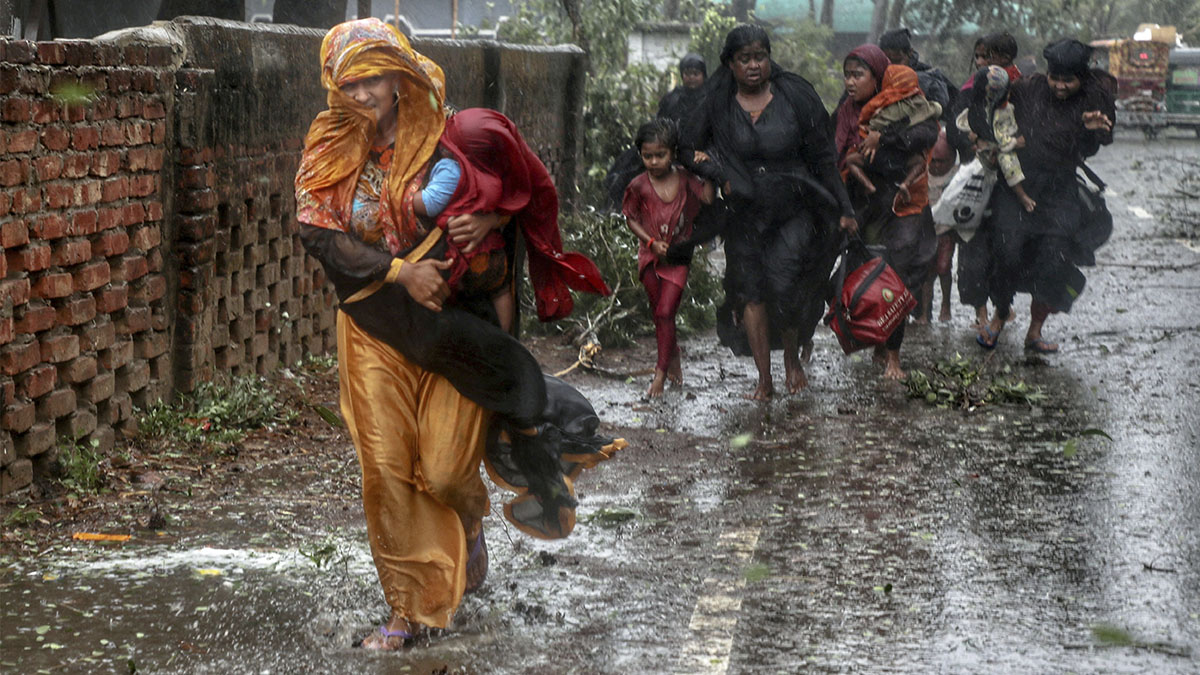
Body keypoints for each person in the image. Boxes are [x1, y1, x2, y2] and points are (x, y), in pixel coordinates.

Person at [293, 18, 624, 650]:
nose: (362, 96)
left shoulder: (447, 142)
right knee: (386, 471)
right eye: (349, 83)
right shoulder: (329, 144)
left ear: (401, 78)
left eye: (374, 80)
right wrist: (399, 270)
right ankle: (406, 609)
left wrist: (491, 218)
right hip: (373, 326)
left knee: (444, 473)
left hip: (453, 332)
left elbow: (518, 192)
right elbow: (316, 232)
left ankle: (468, 524)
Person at [683, 24, 856, 399]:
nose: (754, 65)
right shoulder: (717, 104)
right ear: (730, 64)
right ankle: (764, 379)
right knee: (750, 291)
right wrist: (717, 173)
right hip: (744, 212)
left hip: (796, 205)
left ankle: (792, 357)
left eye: (760, 56)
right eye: (744, 59)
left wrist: (844, 207)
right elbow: (685, 147)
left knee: (785, 285)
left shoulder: (795, 96)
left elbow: (824, 157)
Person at [975, 38, 1115, 353]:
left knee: (1053, 256)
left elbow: (1098, 143)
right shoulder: (1028, 88)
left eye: (1069, 80)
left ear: (1082, 77)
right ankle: (999, 314)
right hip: (1018, 183)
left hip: (1061, 186)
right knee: (1007, 250)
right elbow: (991, 107)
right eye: (1056, 78)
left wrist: (1095, 130)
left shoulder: (1095, 97)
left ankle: (1035, 330)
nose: (1060, 86)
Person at [836, 44, 938, 379]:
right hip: (866, 202)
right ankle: (868, 335)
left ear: (878, 76)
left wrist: (886, 135)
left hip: (904, 200)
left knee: (897, 274)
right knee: (863, 271)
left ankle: (893, 355)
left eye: (858, 74)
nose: (851, 82)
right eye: (847, 75)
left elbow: (927, 130)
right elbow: (832, 149)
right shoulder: (846, 110)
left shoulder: (902, 100)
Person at [623, 119, 714, 397]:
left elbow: (708, 198)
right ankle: (672, 358)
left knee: (665, 312)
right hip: (649, 257)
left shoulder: (686, 178)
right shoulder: (638, 185)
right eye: (647, 156)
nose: (653, 162)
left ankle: (659, 375)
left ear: (673, 153)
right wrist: (650, 242)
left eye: (659, 155)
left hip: (678, 256)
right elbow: (630, 218)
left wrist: (708, 168)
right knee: (660, 315)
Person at [846, 63, 942, 200]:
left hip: (879, 156)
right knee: (919, 161)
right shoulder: (922, 105)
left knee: (851, 160)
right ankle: (905, 184)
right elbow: (936, 110)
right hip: (902, 159)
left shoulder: (882, 102)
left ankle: (869, 186)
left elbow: (871, 123)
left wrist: (881, 138)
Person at [657, 53, 708, 124]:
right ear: (682, 75)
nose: (691, 77)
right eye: (687, 74)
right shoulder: (671, 99)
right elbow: (660, 125)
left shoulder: (711, 98)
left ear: (703, 75)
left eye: (696, 74)